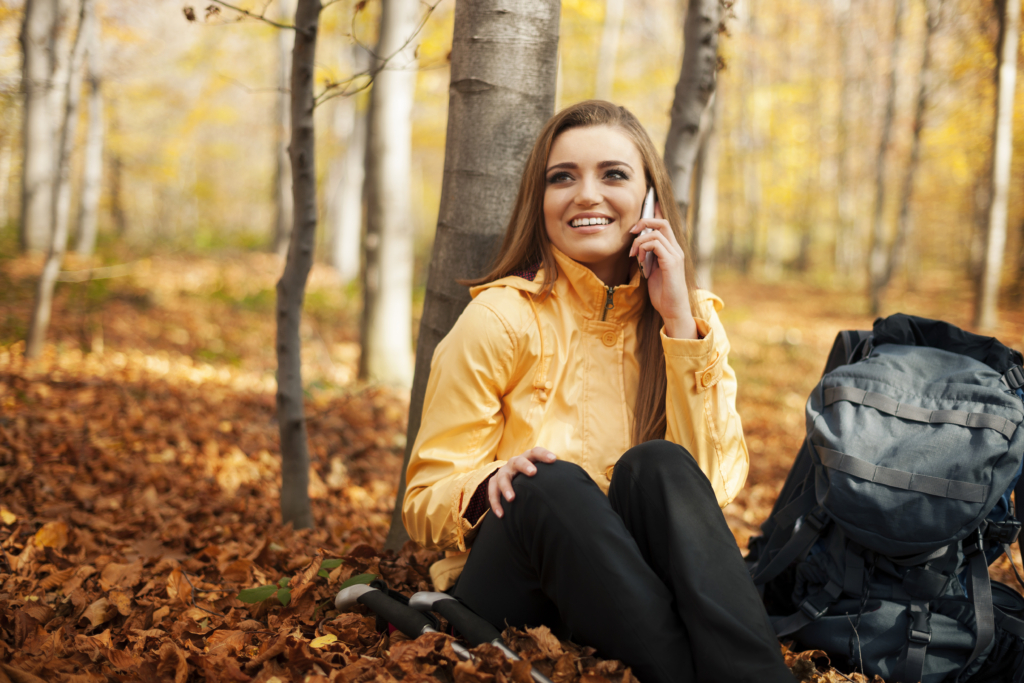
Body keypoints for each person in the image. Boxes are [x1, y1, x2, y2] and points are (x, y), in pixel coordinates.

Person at [402, 101, 792, 683]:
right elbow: (422, 499)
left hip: (634, 585)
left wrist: (679, 327)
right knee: (547, 480)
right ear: (541, 201)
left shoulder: (690, 320)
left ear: (649, 200)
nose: (586, 194)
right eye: (563, 177)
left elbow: (710, 488)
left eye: (613, 174)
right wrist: (489, 483)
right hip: (516, 587)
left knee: (658, 463)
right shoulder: (501, 318)